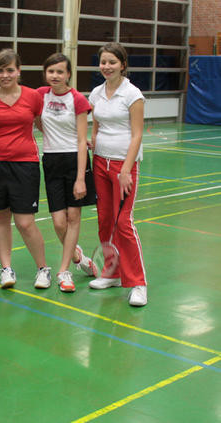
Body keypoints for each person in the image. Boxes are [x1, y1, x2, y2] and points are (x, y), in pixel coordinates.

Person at [0, 48, 50, 289]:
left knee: (25, 222)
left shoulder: (33, 97)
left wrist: (74, 143)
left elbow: (45, 126)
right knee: (0, 218)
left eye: (10, 70)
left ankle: (43, 269)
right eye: (0, 71)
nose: (5, 75)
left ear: (19, 71)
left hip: (25, 164)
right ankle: (6, 269)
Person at [88, 42, 148, 306]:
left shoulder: (132, 94)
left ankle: (138, 283)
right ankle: (111, 272)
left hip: (124, 165)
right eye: (103, 62)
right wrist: (93, 143)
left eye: (112, 62)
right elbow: (96, 125)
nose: (107, 66)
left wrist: (125, 170)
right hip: (100, 162)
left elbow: (137, 135)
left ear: (122, 65)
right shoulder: (96, 93)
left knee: (123, 223)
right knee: (105, 219)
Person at [35, 53, 98, 292]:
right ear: (45, 73)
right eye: (51, 71)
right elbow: (38, 121)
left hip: (74, 160)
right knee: (59, 222)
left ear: (68, 74)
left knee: (73, 217)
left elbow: (82, 140)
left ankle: (64, 271)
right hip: (51, 160)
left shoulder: (78, 100)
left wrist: (81, 178)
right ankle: (77, 256)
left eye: (60, 72)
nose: (55, 76)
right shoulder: (40, 95)